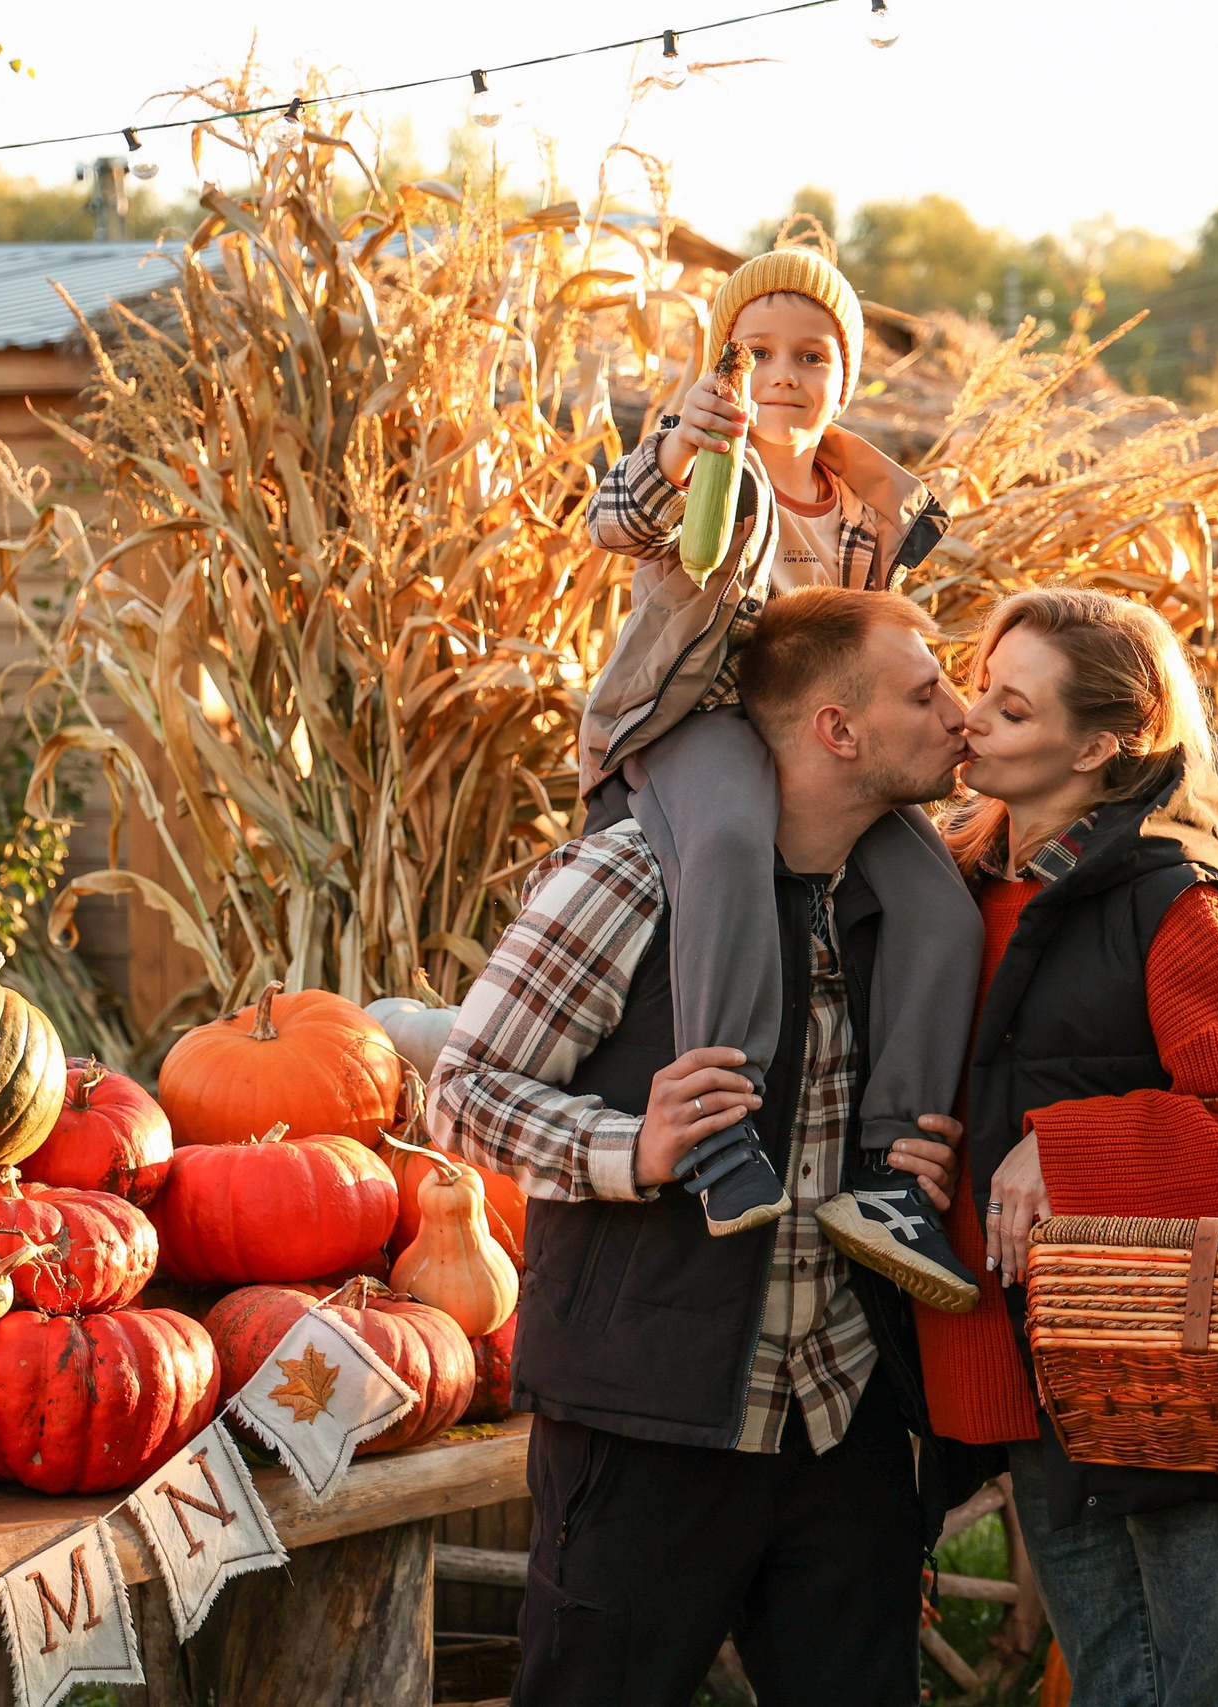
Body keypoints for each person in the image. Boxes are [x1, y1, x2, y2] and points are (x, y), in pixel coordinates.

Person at [432, 588, 981, 1707]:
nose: (960, 714)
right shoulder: (632, 877)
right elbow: (459, 1094)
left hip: (841, 1415)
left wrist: (938, 1165)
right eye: (926, 693)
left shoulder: (903, 904)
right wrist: (633, 1148)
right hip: (651, 1422)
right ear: (838, 730)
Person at [913, 587, 1218, 1707]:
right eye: (978, 687)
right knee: (1113, 1682)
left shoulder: (1173, 908)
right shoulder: (956, 886)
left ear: (1100, 746)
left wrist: (1069, 1149)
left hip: (1169, 1362)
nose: (972, 718)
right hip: (1034, 1358)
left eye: (1011, 706)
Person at [578, 246, 981, 1313]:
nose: (783, 374)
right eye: (757, 351)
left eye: (811, 354)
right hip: (696, 720)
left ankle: (890, 1170)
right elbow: (615, 521)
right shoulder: (708, 465)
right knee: (724, 845)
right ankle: (718, 1134)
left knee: (937, 903)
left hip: (819, 736)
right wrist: (675, 450)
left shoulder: (864, 504)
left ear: (843, 375)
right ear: (723, 365)